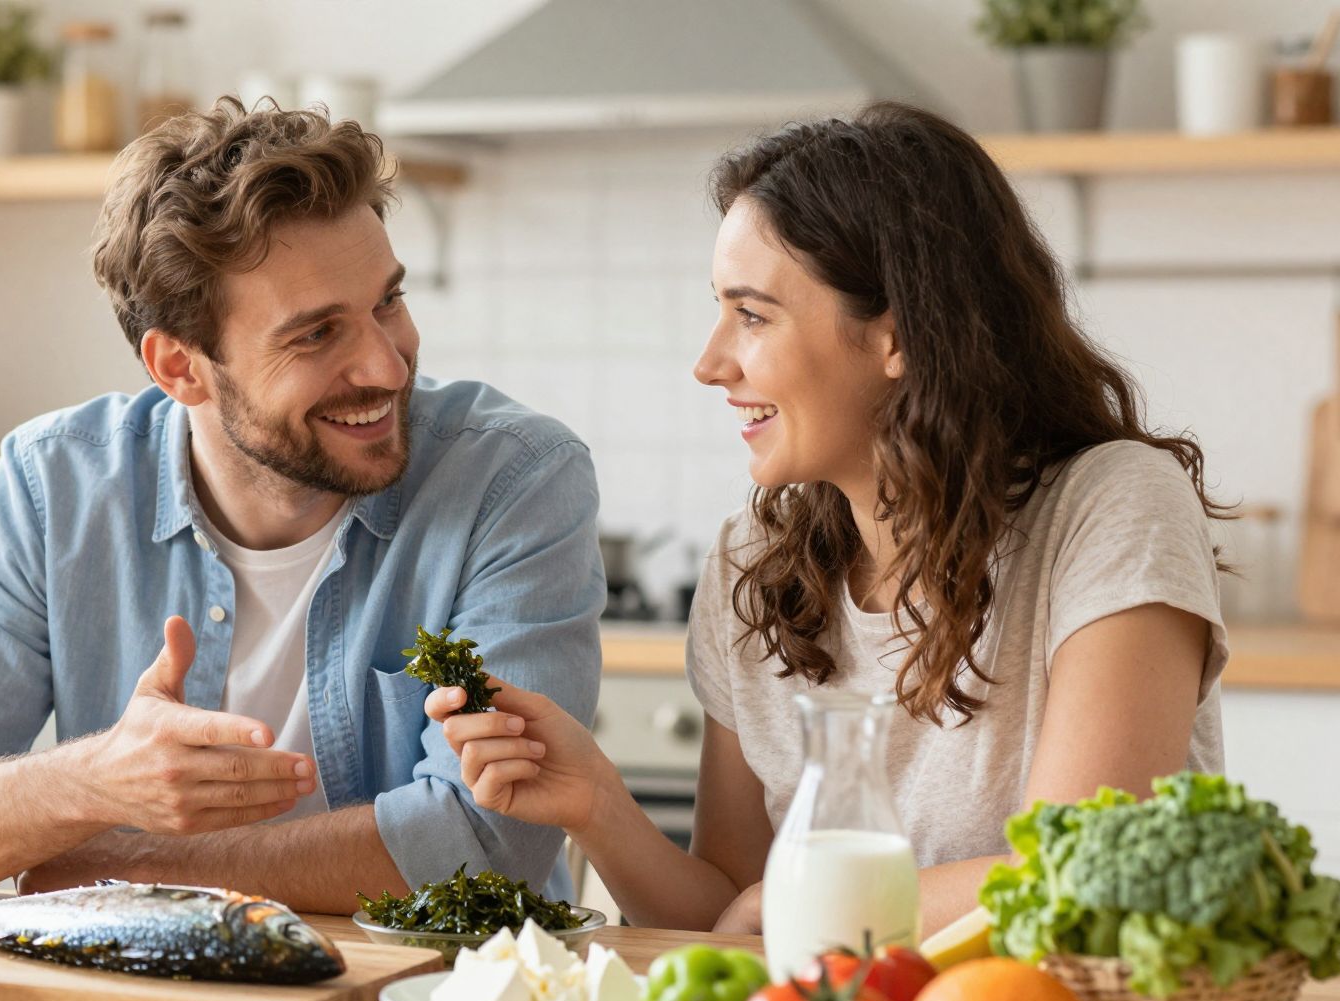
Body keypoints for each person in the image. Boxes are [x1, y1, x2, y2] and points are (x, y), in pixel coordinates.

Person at [425, 102, 1227, 937]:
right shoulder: (755, 560)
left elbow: (1089, 866)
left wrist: (805, 903)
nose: (710, 364)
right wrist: (595, 802)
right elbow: (729, 917)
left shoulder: (1113, 508)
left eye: (753, 315)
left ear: (898, 336)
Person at [0, 99, 603, 909]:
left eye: (388, 302)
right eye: (316, 335)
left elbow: (489, 843)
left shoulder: (512, 479)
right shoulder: (51, 491)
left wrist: (123, 869)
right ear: (179, 368)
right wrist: (93, 782)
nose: (386, 365)